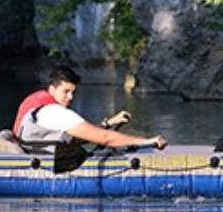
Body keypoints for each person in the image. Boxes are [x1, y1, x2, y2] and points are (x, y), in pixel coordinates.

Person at [12, 65, 166, 151]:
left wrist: (108, 123)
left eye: (73, 92)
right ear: (52, 89)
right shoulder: (54, 112)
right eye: (66, 91)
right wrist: (146, 142)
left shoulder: (36, 101)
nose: (71, 97)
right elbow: (106, 138)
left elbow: (79, 136)